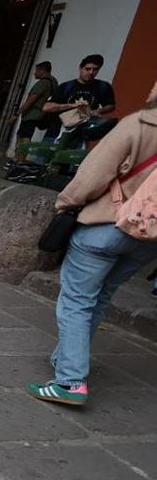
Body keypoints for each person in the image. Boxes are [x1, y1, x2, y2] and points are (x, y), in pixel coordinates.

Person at [28, 79, 157, 406]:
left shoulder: (139, 124)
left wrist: (66, 203)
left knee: (76, 301)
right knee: (101, 296)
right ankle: (66, 358)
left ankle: (70, 382)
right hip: (147, 237)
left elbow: (92, 173)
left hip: (106, 225)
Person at [43, 54, 116, 126]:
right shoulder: (66, 86)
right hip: (58, 128)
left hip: (85, 130)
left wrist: (97, 111)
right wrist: (73, 105)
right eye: (87, 69)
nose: (91, 72)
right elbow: (46, 107)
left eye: (95, 70)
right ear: (80, 68)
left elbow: (110, 105)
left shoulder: (103, 86)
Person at [12, 61, 59, 160]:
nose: (35, 73)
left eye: (36, 70)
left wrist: (17, 113)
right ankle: (19, 159)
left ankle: (19, 160)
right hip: (43, 114)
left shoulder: (42, 83)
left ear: (42, 70)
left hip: (32, 114)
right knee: (25, 135)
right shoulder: (54, 82)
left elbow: (31, 100)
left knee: (23, 136)